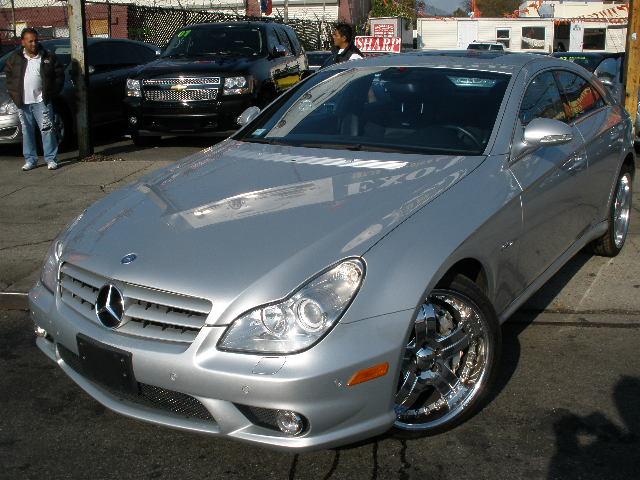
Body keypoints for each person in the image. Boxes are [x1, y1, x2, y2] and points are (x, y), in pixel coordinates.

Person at [5, 27, 64, 171]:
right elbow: (9, 75)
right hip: (23, 102)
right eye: (30, 41)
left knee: (47, 130)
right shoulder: (15, 57)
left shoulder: (47, 57)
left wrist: (51, 92)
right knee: (27, 131)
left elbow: (59, 75)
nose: (34, 44)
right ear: (23, 42)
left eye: (36, 41)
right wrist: (14, 94)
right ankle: (31, 159)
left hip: (41, 102)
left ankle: (51, 159)